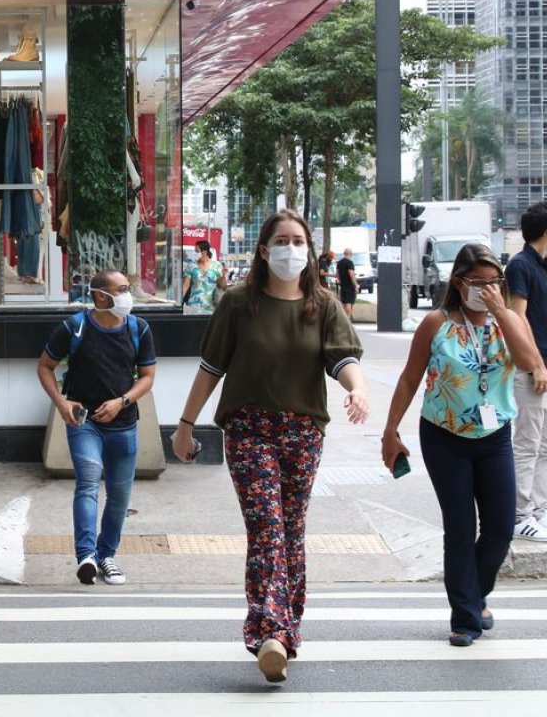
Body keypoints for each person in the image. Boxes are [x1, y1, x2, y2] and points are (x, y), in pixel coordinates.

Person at [171, 209, 368, 684]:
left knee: (291, 528)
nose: (291, 248)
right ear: (264, 249)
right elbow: (211, 368)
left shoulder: (323, 305)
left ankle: (286, 629)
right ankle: (271, 632)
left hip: (303, 431)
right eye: (281, 240)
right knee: (266, 526)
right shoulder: (239, 303)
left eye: (298, 240)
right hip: (249, 428)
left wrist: (357, 388)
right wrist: (184, 425)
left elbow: (341, 358)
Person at [382, 244, 537, 646]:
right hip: (443, 435)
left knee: (501, 528)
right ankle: (465, 619)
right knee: (460, 527)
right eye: (477, 282)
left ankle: (475, 593)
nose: (485, 289)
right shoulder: (437, 322)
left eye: (493, 282)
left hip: (495, 437)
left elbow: (529, 361)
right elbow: (408, 378)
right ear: (458, 282)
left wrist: (502, 311)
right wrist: (391, 430)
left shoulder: (509, 321)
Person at [36, 270, 157, 586]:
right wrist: (62, 404)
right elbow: (45, 367)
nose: (128, 294)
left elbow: (147, 376)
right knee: (88, 482)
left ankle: (107, 556)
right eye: (123, 289)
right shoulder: (74, 327)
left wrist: (122, 402)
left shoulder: (138, 328)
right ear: (100, 296)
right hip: (83, 421)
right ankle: (86, 556)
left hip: (124, 426)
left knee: (119, 495)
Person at [508, 202, 547, 542]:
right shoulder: (520, 265)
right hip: (531, 370)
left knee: (544, 445)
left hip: (544, 368)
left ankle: (539, 510)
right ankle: (521, 515)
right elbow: (517, 319)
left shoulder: (542, 266)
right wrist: (535, 363)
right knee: (527, 444)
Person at [182, 240, 227, 313]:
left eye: (196, 251)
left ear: (205, 252)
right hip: (194, 305)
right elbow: (186, 285)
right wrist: (179, 301)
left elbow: (222, 286)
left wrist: (224, 275)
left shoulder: (217, 265)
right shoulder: (191, 266)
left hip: (212, 306)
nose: (194, 253)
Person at [336, 247, 358, 319]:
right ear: (351, 254)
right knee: (348, 303)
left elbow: (337, 274)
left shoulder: (339, 263)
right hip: (349, 286)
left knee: (344, 303)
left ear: (344, 253)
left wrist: (341, 281)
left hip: (343, 286)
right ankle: (347, 320)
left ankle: (343, 319)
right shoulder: (349, 262)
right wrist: (355, 285)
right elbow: (351, 274)